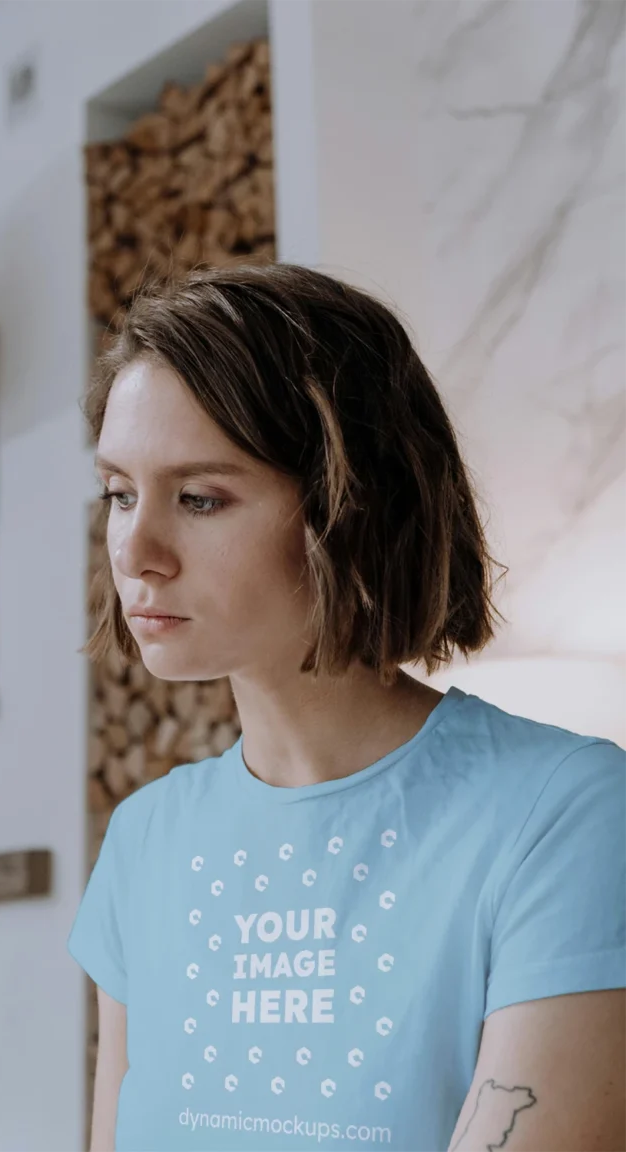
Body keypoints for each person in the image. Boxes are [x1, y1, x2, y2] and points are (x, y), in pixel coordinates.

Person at [67, 263, 626, 1152]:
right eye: (119, 494)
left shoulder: (563, 812)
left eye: (200, 497)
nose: (135, 549)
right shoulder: (145, 841)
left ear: (350, 504)